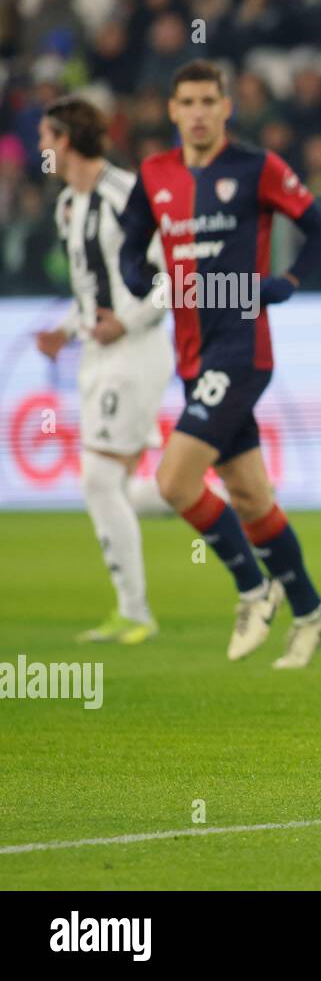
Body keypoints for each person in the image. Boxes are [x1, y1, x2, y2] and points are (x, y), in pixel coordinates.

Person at [118, 60, 321, 668]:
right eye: (186, 101)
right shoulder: (154, 175)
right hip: (192, 353)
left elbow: (320, 230)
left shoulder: (256, 167)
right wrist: (144, 282)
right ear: (171, 110)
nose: (197, 112)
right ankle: (315, 613)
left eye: (208, 101)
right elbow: (130, 252)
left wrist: (288, 280)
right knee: (249, 496)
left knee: (173, 481)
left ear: (226, 108)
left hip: (242, 349)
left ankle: (252, 587)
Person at [34, 96, 173, 645]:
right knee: (125, 483)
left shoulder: (128, 196)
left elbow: (172, 278)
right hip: (98, 354)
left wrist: (130, 321)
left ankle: (135, 612)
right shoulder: (68, 205)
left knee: (97, 476)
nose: (41, 149)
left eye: (46, 139)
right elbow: (91, 292)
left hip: (136, 351)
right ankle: (239, 502)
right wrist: (65, 331)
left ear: (65, 140)